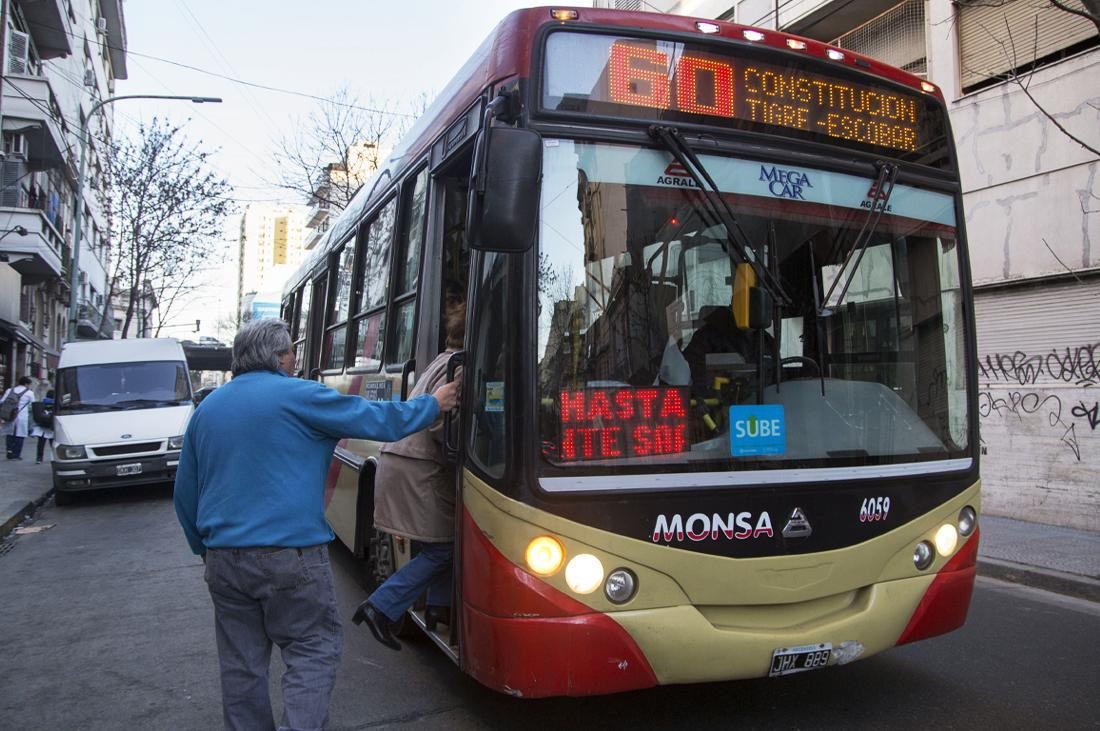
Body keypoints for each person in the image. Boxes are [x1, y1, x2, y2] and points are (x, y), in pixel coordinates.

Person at [173, 319, 459, 731]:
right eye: (291, 351)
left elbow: (185, 495)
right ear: (277, 357)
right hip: (291, 559)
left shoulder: (209, 410)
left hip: (224, 561)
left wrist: (205, 551)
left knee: (242, 668)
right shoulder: (302, 397)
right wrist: (435, 402)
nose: (294, 358)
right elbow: (382, 422)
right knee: (312, 651)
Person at [352, 294, 465, 650]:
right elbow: (441, 425)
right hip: (419, 469)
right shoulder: (461, 367)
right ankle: (381, 607)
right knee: (445, 548)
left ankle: (437, 610)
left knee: (436, 542)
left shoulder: (442, 360)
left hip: (401, 461)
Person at [2, 376, 35, 460]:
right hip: (21, 415)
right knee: (20, 435)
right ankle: (16, 454)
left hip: (9, 415)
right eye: (29, 384)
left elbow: (2, 401)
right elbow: (32, 405)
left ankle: (9, 451)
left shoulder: (9, 390)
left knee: (9, 433)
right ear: (26, 384)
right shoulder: (29, 393)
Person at [30, 389, 55, 464]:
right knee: (52, 443)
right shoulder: (55, 403)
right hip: (51, 426)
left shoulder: (42, 403)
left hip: (42, 427)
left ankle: (39, 458)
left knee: (41, 444)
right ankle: (54, 457)